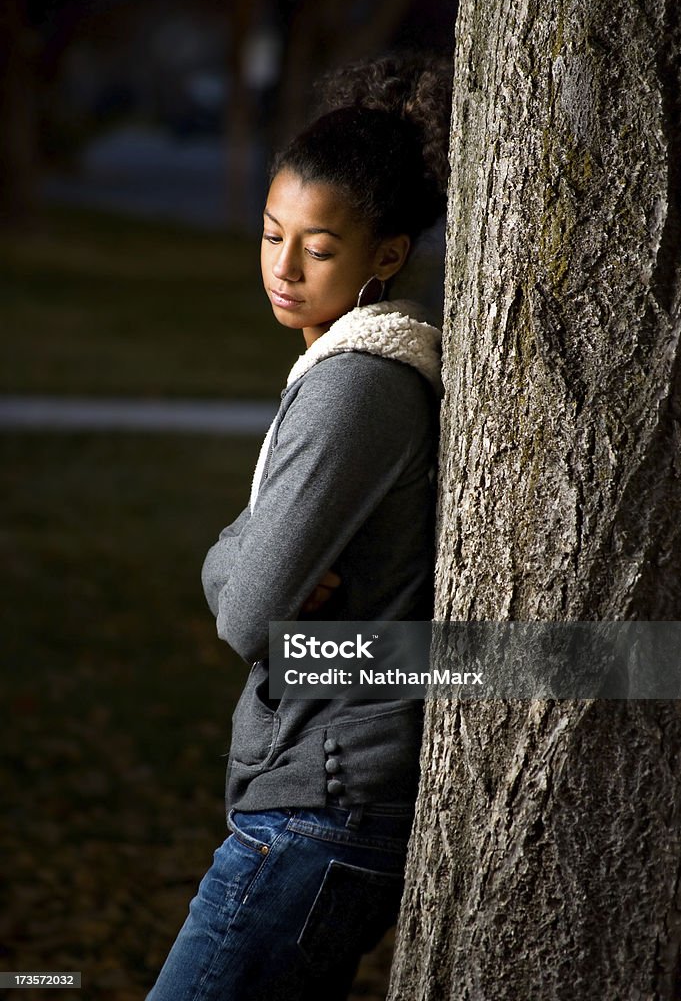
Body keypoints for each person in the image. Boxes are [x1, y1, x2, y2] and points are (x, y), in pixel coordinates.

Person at [146, 52, 452, 1001]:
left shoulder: (356, 386)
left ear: (385, 255)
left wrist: (237, 563)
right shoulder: (342, 371)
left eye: (317, 249)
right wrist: (238, 560)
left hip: (324, 804)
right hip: (318, 793)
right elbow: (248, 583)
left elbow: (247, 616)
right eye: (272, 234)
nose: (283, 268)